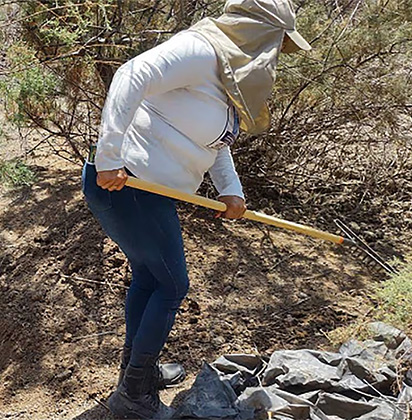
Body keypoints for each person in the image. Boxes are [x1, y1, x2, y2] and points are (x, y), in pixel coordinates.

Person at [81, 0, 312, 418]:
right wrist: (110, 155)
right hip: (128, 183)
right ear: (257, 29)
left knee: (151, 279)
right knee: (171, 286)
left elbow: (213, 142)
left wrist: (231, 191)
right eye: (278, 41)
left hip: (146, 191)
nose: (277, 52)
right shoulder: (201, 49)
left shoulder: (227, 75)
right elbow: (132, 73)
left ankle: (136, 374)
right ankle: (134, 393)